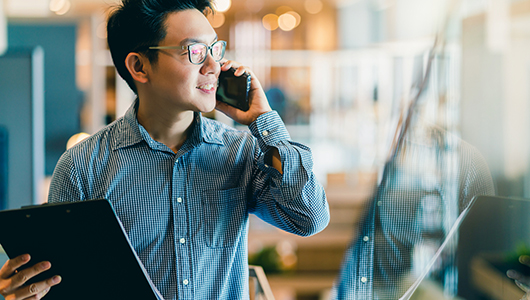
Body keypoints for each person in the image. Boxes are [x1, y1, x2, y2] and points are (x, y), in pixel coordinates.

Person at [0, 0, 330, 299]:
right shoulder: (83, 165)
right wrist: (31, 291)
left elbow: (309, 218)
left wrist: (263, 120)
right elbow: (67, 284)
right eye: (196, 52)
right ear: (139, 67)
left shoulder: (240, 150)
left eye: (215, 49)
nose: (214, 66)